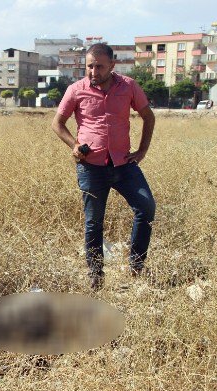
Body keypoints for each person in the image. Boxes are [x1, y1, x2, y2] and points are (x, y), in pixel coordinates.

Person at [51, 43, 156, 290]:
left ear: (112, 65)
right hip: (91, 167)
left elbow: (148, 116)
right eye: (90, 66)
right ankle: (96, 275)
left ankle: (136, 267)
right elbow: (58, 123)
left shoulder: (128, 86)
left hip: (123, 165)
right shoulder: (76, 90)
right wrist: (74, 145)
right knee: (93, 222)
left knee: (146, 207)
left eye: (99, 66)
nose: (93, 71)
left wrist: (141, 151)